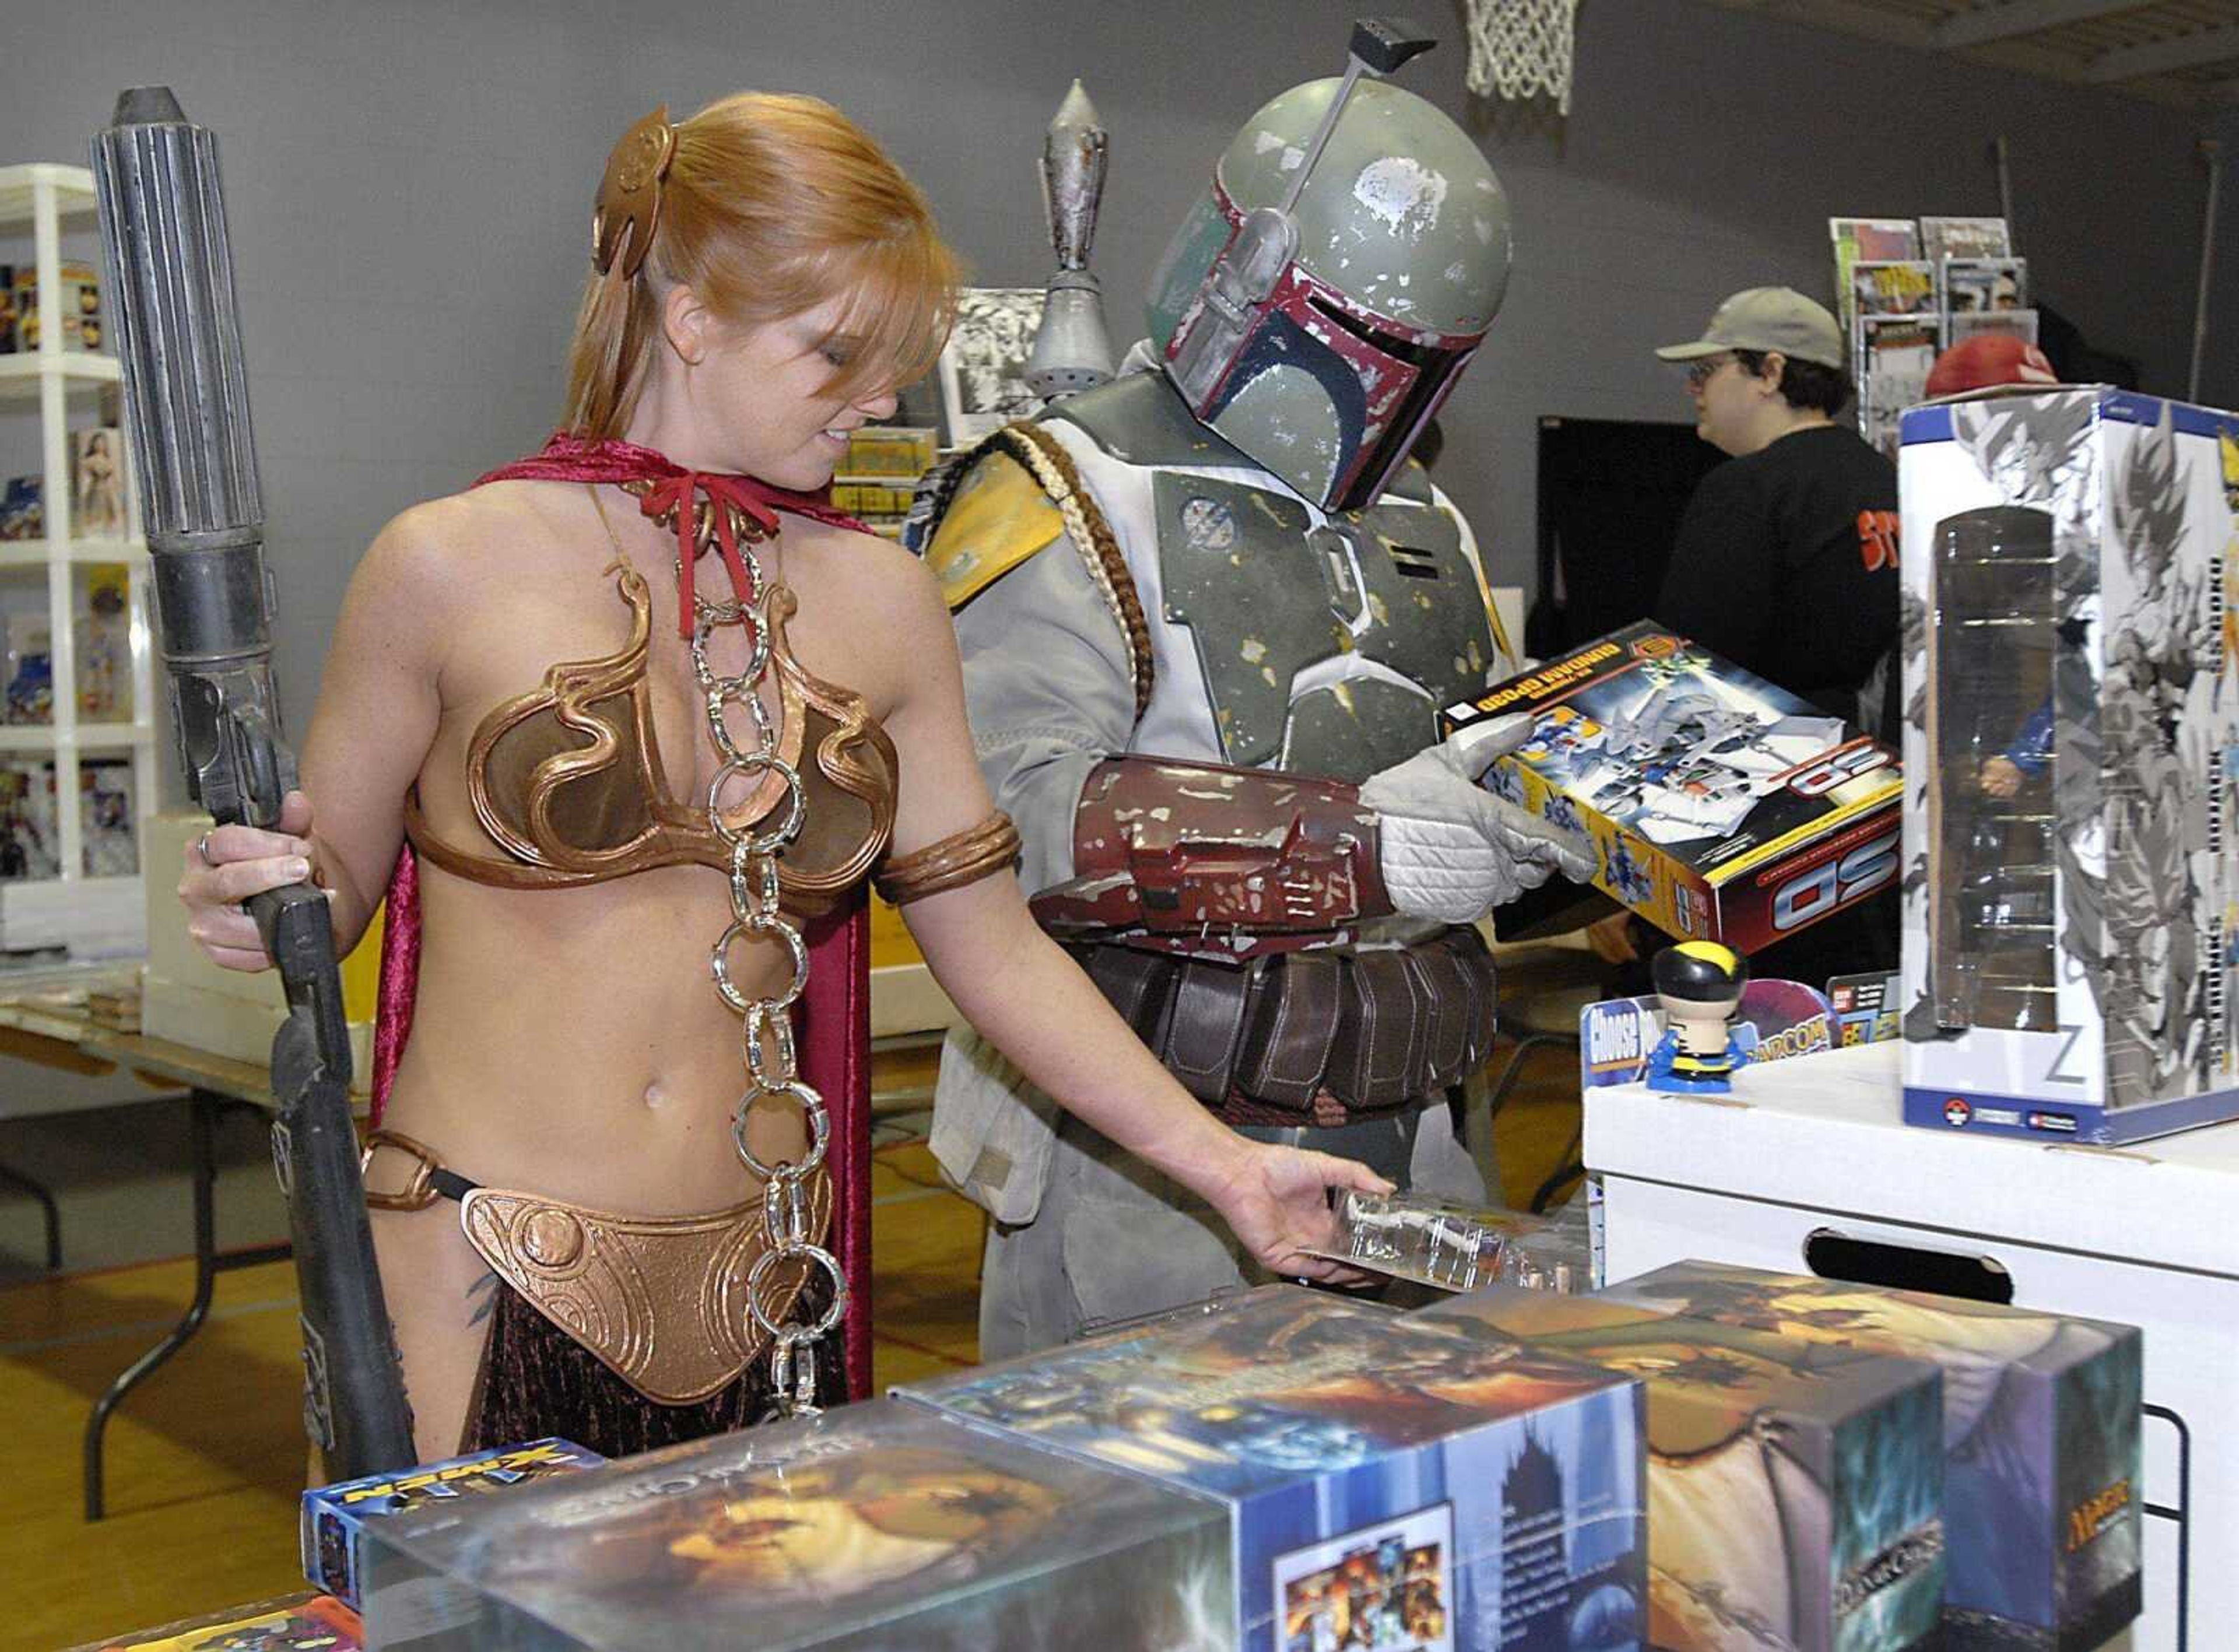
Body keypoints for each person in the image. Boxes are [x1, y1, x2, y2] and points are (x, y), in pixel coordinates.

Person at [179, 93, 1385, 1464]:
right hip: (474, 1256)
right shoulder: (447, 563)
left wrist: (1231, 1169)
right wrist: (250, 891)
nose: (880, 398)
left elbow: (997, 953)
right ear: (691, 319)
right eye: (836, 352)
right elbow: (315, 902)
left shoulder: (882, 600)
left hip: (764, 1279)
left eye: (891, 359)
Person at [922, 33, 1595, 1362]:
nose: (1385, 394)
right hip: (1154, 1164)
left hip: (1418, 1144)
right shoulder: (1057, 485)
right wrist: (1352, 848)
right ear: (1243, 277)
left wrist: (1572, 790)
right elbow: (1001, 822)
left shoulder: (1420, 515)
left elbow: (1460, 760)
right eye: (1367, 347)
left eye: (1423, 360)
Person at [1600, 286, 1903, 988]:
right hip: (1870, 817)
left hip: (1751, 831)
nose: (1693, 389)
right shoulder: (1887, 481)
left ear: (1770, 372)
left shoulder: (1747, 490)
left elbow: (1681, 682)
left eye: (1709, 371)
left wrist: (1625, 883)